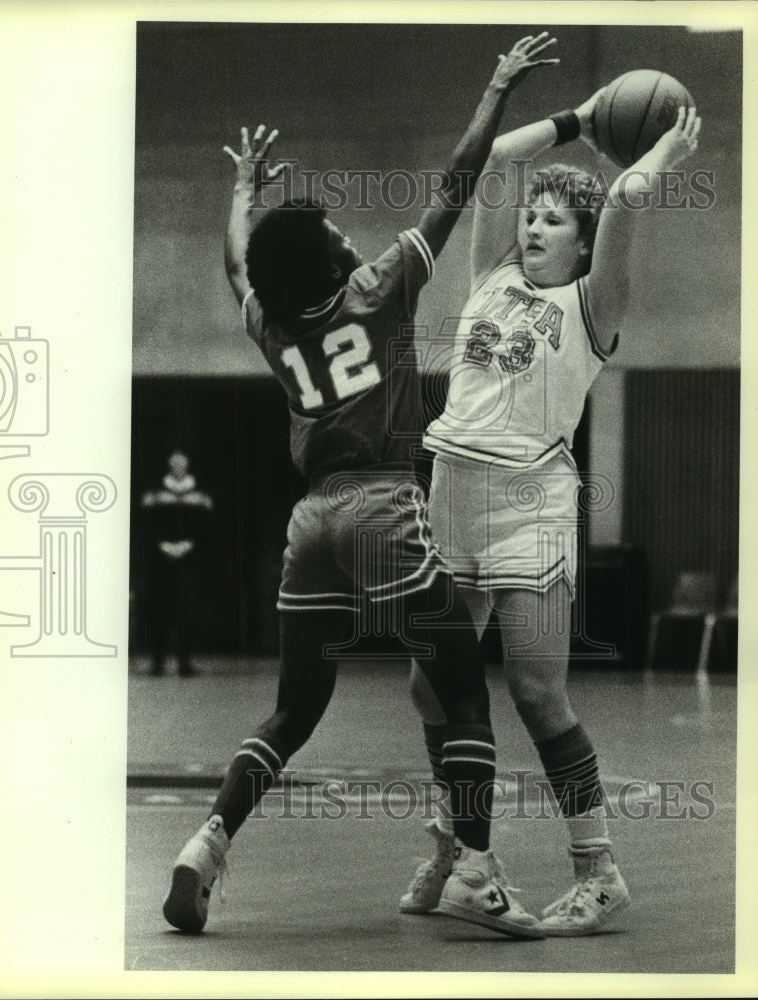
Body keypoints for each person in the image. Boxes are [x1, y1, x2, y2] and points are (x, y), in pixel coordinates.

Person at [163, 34, 560, 936]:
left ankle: (206, 843)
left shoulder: (269, 321)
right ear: (337, 262)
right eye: (339, 233)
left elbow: (238, 263)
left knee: (295, 705)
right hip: (385, 504)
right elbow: (458, 182)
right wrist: (496, 88)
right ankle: (477, 871)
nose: (350, 232)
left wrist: (241, 194)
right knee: (461, 687)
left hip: (310, 522)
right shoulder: (377, 291)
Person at [399, 92, 702, 935]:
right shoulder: (490, 274)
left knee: (536, 694)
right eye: (531, 217)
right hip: (449, 491)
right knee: (432, 684)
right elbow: (497, 159)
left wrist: (663, 150)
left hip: (527, 505)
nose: (532, 228)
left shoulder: (593, 308)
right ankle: (463, 850)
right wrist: (580, 115)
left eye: (553, 222)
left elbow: (631, 200)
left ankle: (597, 871)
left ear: (581, 242)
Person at [140, 449, 214, 676]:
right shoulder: (155, 493)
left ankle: (185, 663)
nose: (178, 466)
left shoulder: (201, 495)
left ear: (188, 465)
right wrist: (162, 544)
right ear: (169, 465)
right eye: (175, 462)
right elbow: (145, 525)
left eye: (182, 462)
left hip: (189, 559)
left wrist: (188, 545)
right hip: (160, 559)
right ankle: (158, 663)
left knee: (186, 611)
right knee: (159, 609)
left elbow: (207, 527)